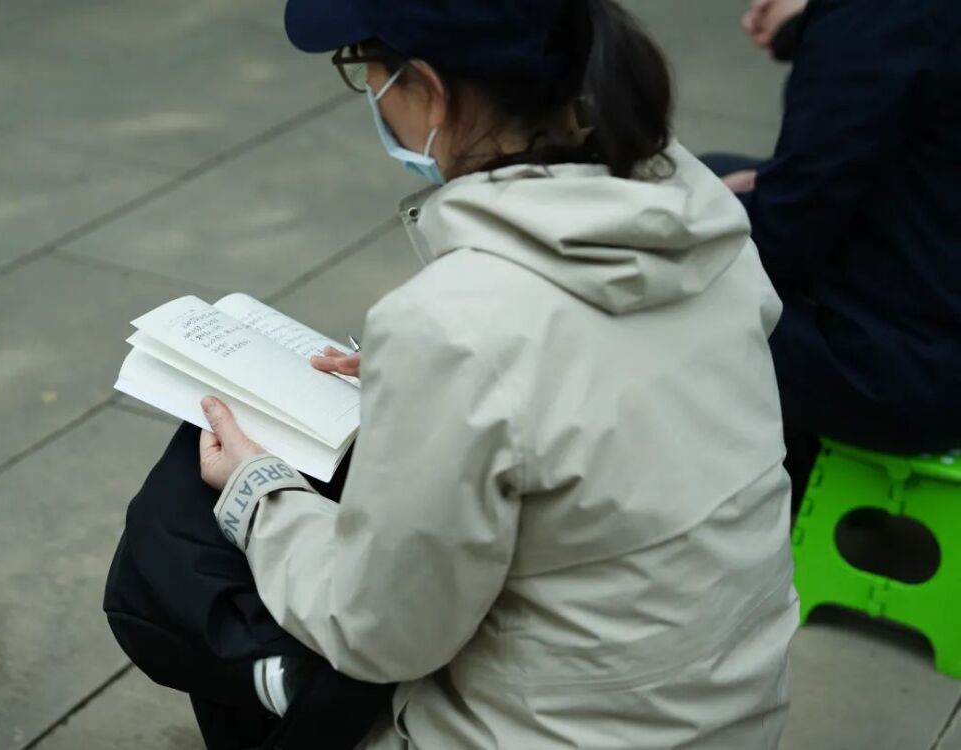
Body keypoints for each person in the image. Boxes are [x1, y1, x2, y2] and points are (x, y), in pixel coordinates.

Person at [181, 0, 804, 746]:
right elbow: (605, 391)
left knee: (184, 518)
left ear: (430, 90)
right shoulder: (698, 216)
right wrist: (423, 385)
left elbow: (379, 633)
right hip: (731, 716)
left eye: (364, 69)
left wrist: (258, 494)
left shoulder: (456, 324)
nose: (369, 91)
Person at [707, 0, 961, 501]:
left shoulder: (876, 17)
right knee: (712, 173)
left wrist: (690, 211)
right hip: (934, 315)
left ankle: (737, 520)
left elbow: (785, 235)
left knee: (650, 298)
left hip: (906, 370)